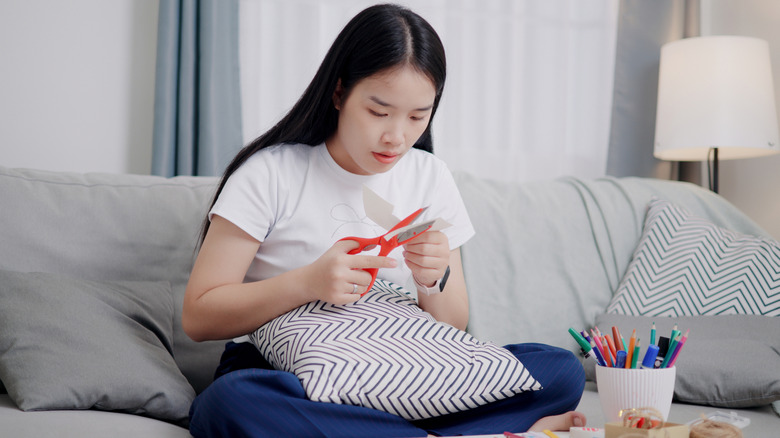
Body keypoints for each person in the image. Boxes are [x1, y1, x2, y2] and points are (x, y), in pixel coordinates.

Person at [183, 4, 586, 437]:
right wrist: (307, 284)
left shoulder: (430, 177)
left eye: (418, 116)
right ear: (339, 94)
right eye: (379, 112)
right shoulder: (270, 173)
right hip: (289, 371)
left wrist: (435, 278)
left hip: (401, 367)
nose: (397, 137)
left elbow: (451, 327)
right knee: (229, 404)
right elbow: (199, 316)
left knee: (562, 370)